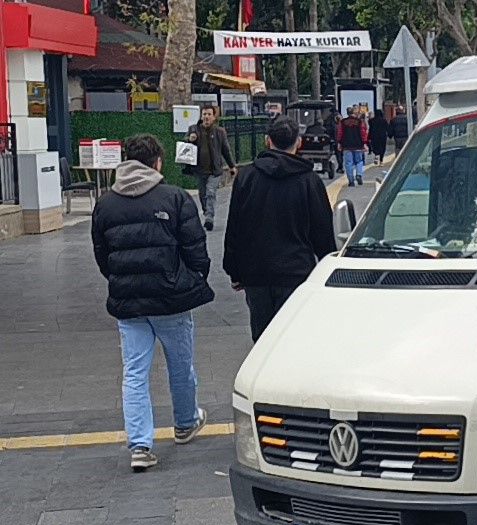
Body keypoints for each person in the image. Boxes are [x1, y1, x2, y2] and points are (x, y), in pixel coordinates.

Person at [91, 134, 213, 472]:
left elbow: (102, 255)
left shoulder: (105, 204)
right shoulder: (174, 197)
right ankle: (185, 423)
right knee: (180, 366)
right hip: (171, 298)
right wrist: (194, 278)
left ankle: (140, 445)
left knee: (134, 372)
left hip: (128, 302)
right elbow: (195, 249)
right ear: (157, 162)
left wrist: (121, 280)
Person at [224, 116, 337, 342]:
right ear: (298, 142)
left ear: (268, 141)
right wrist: (327, 267)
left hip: (256, 271)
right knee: (292, 336)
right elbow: (322, 231)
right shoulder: (309, 180)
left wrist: (234, 270)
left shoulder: (247, 177)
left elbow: (235, 225)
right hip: (296, 270)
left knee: (262, 337)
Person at [186, 105, 237, 232]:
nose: (206, 117)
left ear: (214, 117)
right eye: (204, 114)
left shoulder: (220, 132)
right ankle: (207, 212)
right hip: (199, 170)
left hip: (215, 171)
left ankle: (209, 218)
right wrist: (189, 139)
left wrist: (232, 166)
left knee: (210, 192)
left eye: (209, 114)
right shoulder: (194, 129)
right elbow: (185, 144)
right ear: (201, 116)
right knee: (202, 194)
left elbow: (226, 150)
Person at [338, 106, 369, 186]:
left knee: (348, 163)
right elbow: (363, 133)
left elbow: (340, 133)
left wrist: (339, 143)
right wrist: (364, 143)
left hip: (346, 145)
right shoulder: (359, 121)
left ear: (347, 113)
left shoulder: (343, 122)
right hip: (358, 144)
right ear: (354, 112)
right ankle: (359, 174)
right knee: (359, 161)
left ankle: (351, 181)